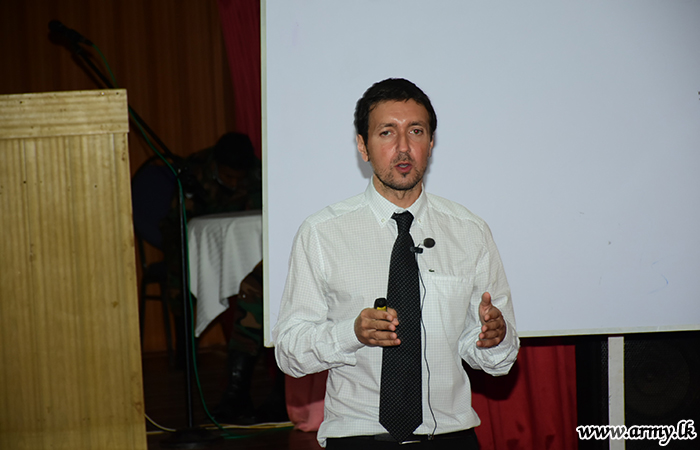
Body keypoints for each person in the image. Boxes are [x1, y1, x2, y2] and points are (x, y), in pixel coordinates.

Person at [273, 78, 519, 449]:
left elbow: (498, 361)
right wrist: (352, 334)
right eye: (387, 132)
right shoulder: (322, 233)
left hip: (450, 436)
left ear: (431, 143)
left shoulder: (469, 232)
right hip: (359, 437)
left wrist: (493, 339)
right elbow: (289, 352)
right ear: (363, 146)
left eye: (416, 131)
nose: (403, 147)